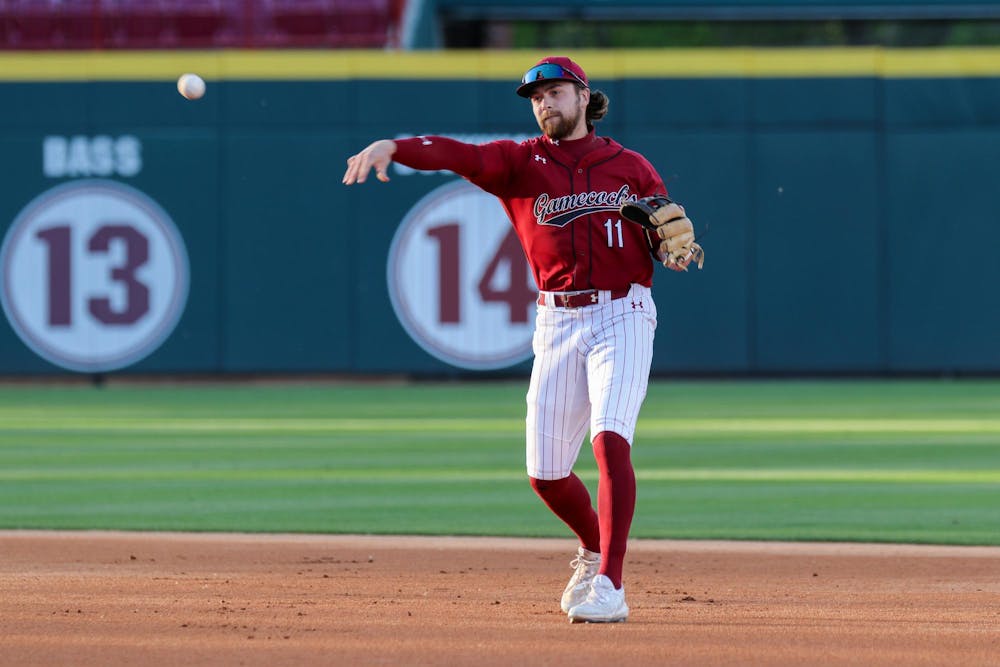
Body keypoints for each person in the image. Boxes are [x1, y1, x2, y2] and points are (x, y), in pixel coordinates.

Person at [342, 56, 702, 623]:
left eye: (554, 92)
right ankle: (590, 547)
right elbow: (457, 153)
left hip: (624, 312)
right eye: (535, 97)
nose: (544, 104)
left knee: (610, 440)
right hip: (556, 320)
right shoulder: (518, 163)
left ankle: (611, 582)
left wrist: (669, 251)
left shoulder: (629, 166)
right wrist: (396, 146)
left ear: (584, 97)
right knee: (546, 475)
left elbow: (662, 232)